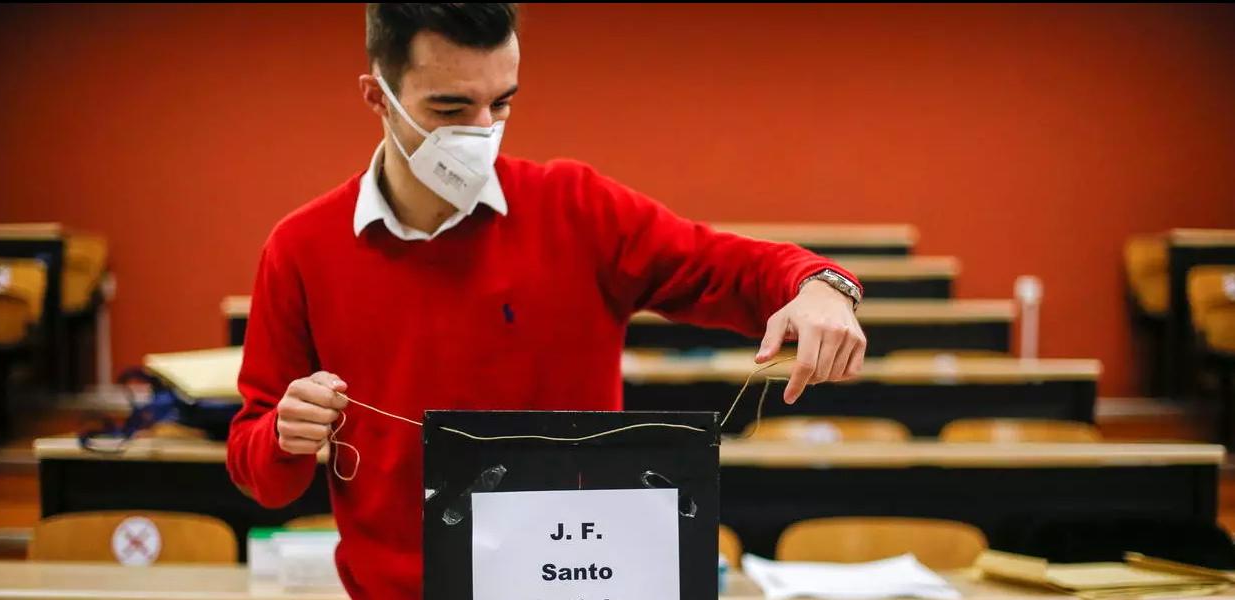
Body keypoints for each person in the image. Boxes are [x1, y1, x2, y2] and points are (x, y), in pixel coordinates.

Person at [227, 4, 866, 598]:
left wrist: (819, 286)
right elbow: (259, 470)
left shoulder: (576, 209)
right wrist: (284, 434)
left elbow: (727, 267)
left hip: (578, 581)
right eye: (450, 108)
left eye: (500, 103)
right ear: (378, 97)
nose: (482, 131)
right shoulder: (302, 248)